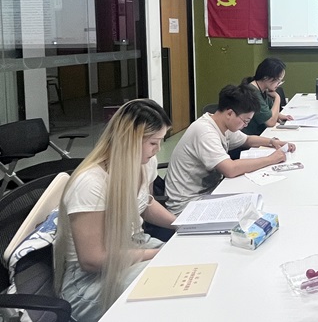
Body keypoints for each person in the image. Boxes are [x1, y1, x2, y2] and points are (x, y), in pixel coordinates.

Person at [54, 99, 177, 322]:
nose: (158, 150)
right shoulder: (91, 183)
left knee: (188, 261)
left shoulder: (144, 162)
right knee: (172, 284)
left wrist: (182, 224)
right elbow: (92, 260)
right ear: (130, 140)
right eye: (153, 142)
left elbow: (145, 204)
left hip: (132, 247)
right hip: (89, 281)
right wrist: (155, 254)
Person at [165, 84, 296, 215]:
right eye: (245, 121)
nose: (245, 125)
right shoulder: (205, 131)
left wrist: (272, 142)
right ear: (230, 113)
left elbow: (247, 140)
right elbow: (230, 169)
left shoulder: (221, 124)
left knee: (257, 202)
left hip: (209, 193)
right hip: (187, 206)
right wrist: (271, 159)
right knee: (253, 211)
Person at [241, 57, 293, 136]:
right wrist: (277, 98)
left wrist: (280, 116)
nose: (279, 84)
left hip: (260, 133)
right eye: (278, 80)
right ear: (266, 77)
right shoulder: (252, 93)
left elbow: (268, 112)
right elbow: (270, 122)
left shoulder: (263, 89)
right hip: (251, 136)